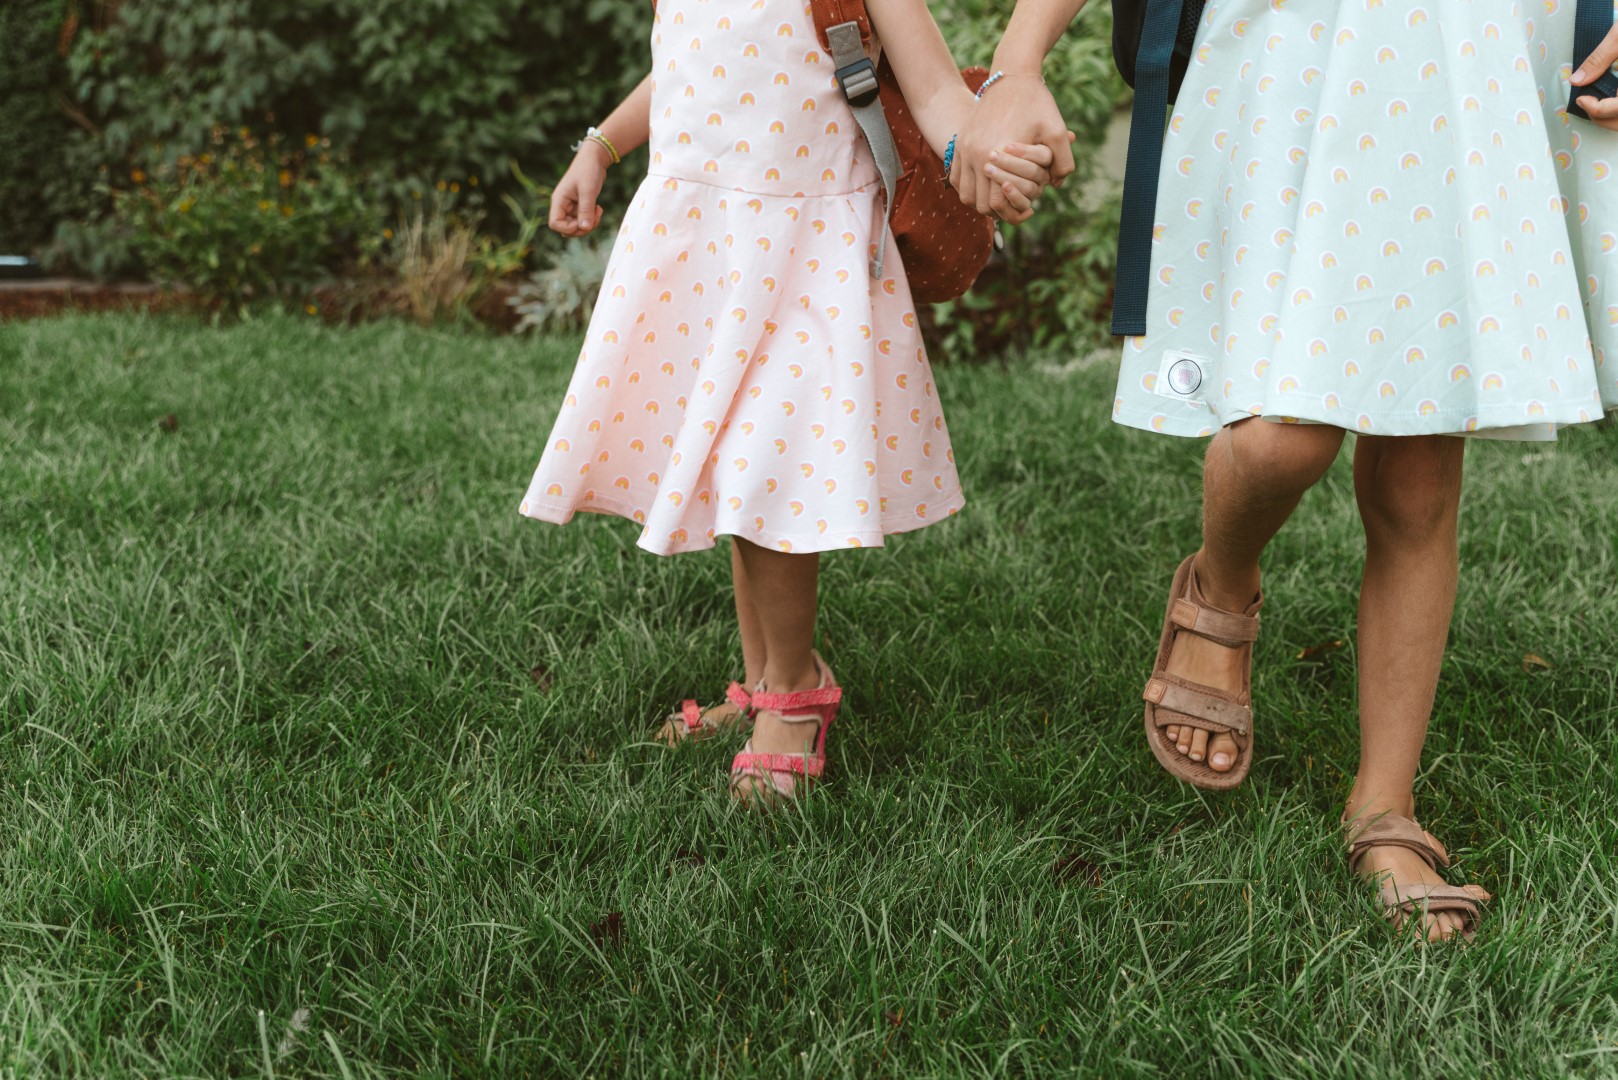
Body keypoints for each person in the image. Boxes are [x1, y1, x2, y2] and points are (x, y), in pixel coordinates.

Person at [956, 0, 1617, 941]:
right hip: (1288, 66)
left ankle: (1383, 809)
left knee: (1417, 476)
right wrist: (1018, 60)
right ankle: (1221, 585)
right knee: (1281, 436)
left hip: (1463, 62)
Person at [524, 0, 1056, 808]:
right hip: (708, 244)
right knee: (738, 474)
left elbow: (939, 94)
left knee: (767, 469)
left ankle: (797, 693)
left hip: (804, 262)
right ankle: (763, 674)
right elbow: (684, 66)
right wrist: (600, 146)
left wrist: (984, 150)